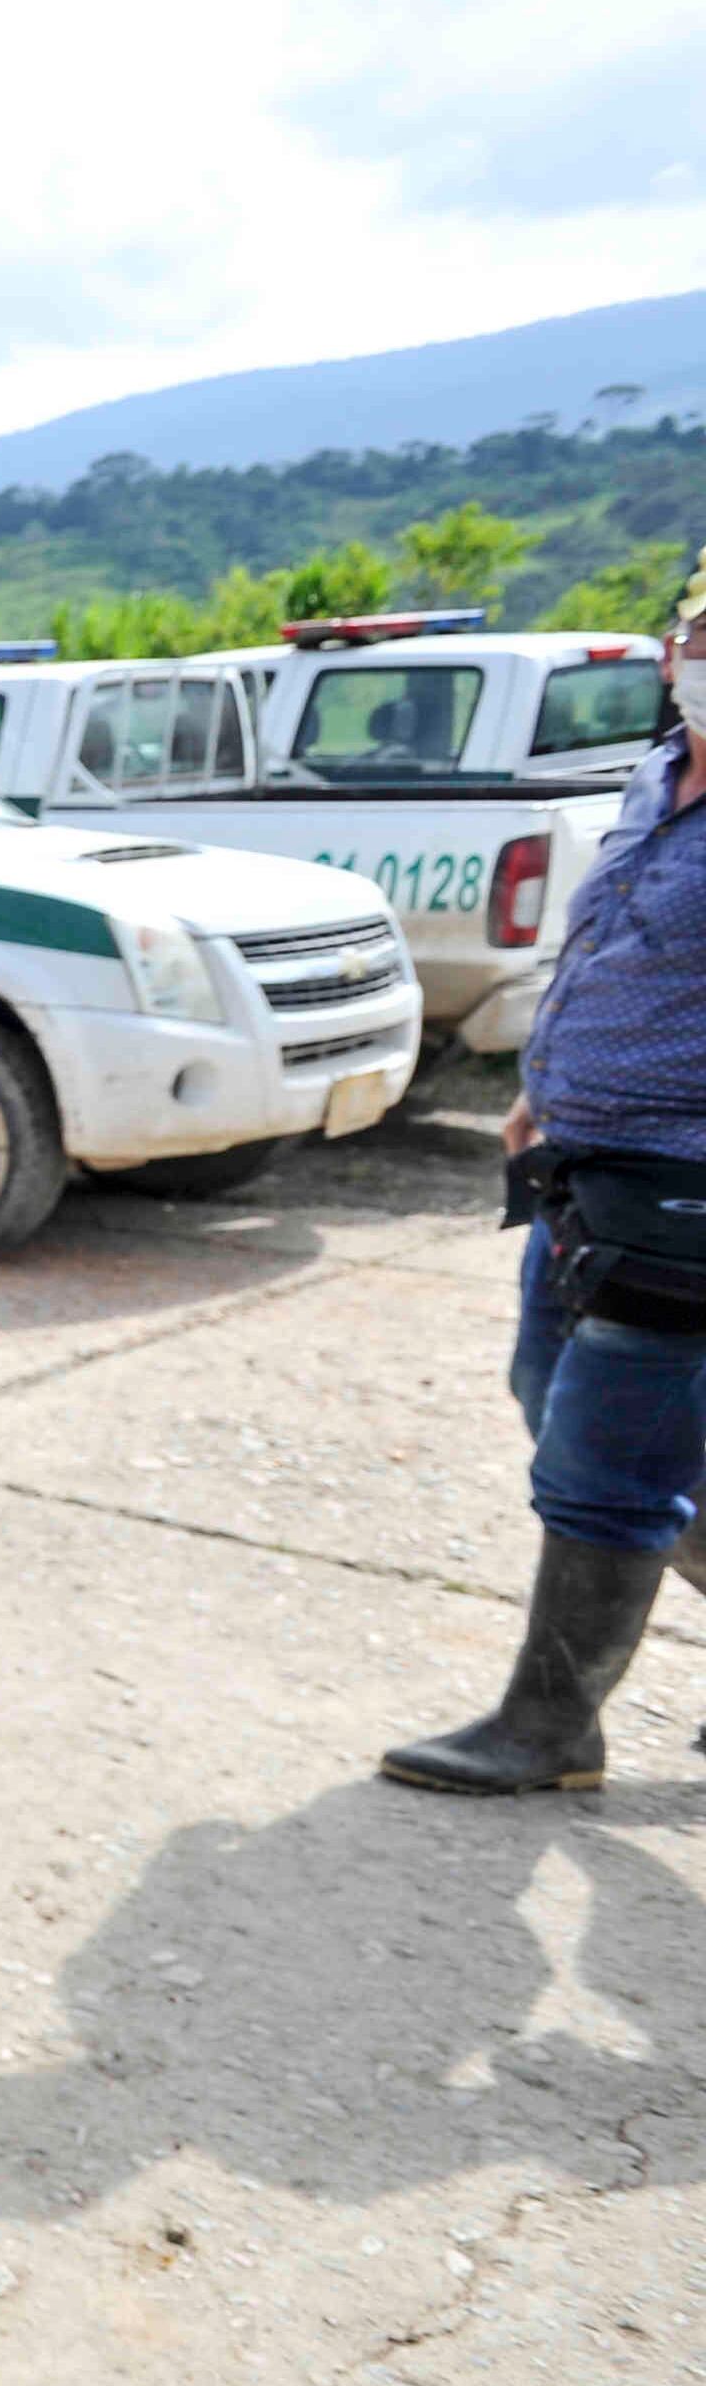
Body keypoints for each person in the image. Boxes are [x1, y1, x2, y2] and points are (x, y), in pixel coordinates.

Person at [386, 543, 706, 1793]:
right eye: (698, 628)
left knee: (604, 1460)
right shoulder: (655, 772)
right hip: (580, 1164)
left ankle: (548, 1724)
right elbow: (609, 956)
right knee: (550, 1392)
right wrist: (534, 1095)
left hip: (681, 1194)